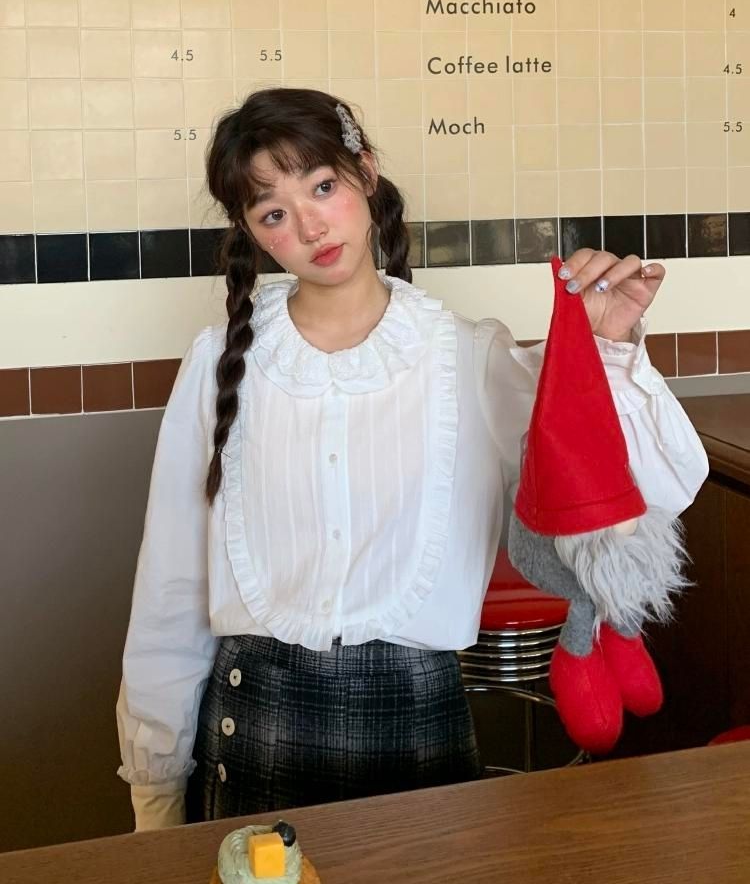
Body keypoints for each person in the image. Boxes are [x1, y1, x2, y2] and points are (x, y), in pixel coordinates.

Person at [116, 86, 709, 831]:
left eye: (322, 187)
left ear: (365, 172)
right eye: (273, 213)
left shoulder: (469, 356)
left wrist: (609, 349)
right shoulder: (218, 363)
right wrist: (156, 789)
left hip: (420, 737)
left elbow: (659, 486)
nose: (309, 226)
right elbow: (171, 589)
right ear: (252, 233)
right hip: (251, 736)